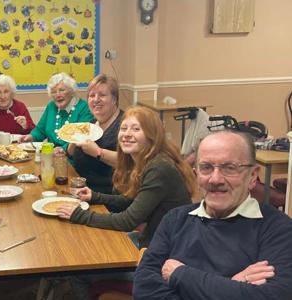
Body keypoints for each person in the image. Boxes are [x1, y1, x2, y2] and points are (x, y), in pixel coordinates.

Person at [133, 130, 292, 300]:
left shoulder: (279, 229)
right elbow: (144, 289)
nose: (215, 179)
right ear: (196, 175)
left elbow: (273, 296)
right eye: (206, 167)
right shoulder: (175, 219)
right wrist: (232, 285)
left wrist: (181, 275)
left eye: (229, 168)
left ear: (253, 176)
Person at [57, 106, 196, 248]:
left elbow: (128, 221)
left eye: (136, 129)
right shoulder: (142, 160)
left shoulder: (159, 168)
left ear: (152, 135)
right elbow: (129, 199)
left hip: (169, 246)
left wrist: (78, 215)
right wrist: (94, 196)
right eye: (123, 129)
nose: (127, 134)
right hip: (154, 236)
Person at [67, 74, 123, 194]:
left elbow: (131, 162)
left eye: (102, 95)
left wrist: (98, 152)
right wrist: (72, 142)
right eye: (92, 96)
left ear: (114, 99)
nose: (96, 99)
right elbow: (72, 154)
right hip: (82, 190)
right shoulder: (91, 124)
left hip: (109, 197)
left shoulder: (125, 125)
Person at [18, 72, 93, 151]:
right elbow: (40, 130)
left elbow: (81, 138)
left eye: (62, 90)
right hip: (51, 154)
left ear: (72, 91)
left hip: (74, 158)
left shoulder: (84, 108)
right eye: (53, 92)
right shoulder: (51, 106)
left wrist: (63, 149)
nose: (58, 95)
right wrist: (31, 137)